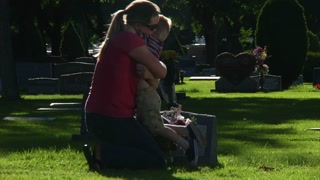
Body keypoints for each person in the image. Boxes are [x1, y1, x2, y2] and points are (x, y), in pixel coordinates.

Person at [83, 0, 168, 171]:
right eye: (152, 28)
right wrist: (154, 72)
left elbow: (154, 80)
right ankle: (104, 153)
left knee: (151, 153)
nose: (153, 33)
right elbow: (161, 72)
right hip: (111, 118)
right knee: (157, 161)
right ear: (138, 25)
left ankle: (105, 153)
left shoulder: (121, 39)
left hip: (105, 116)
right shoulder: (130, 41)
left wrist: (150, 74)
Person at [136, 15, 204, 166]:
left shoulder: (147, 42)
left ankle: (186, 144)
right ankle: (186, 131)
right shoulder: (156, 44)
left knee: (154, 128)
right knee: (148, 125)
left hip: (146, 95)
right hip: (146, 93)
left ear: (152, 30)